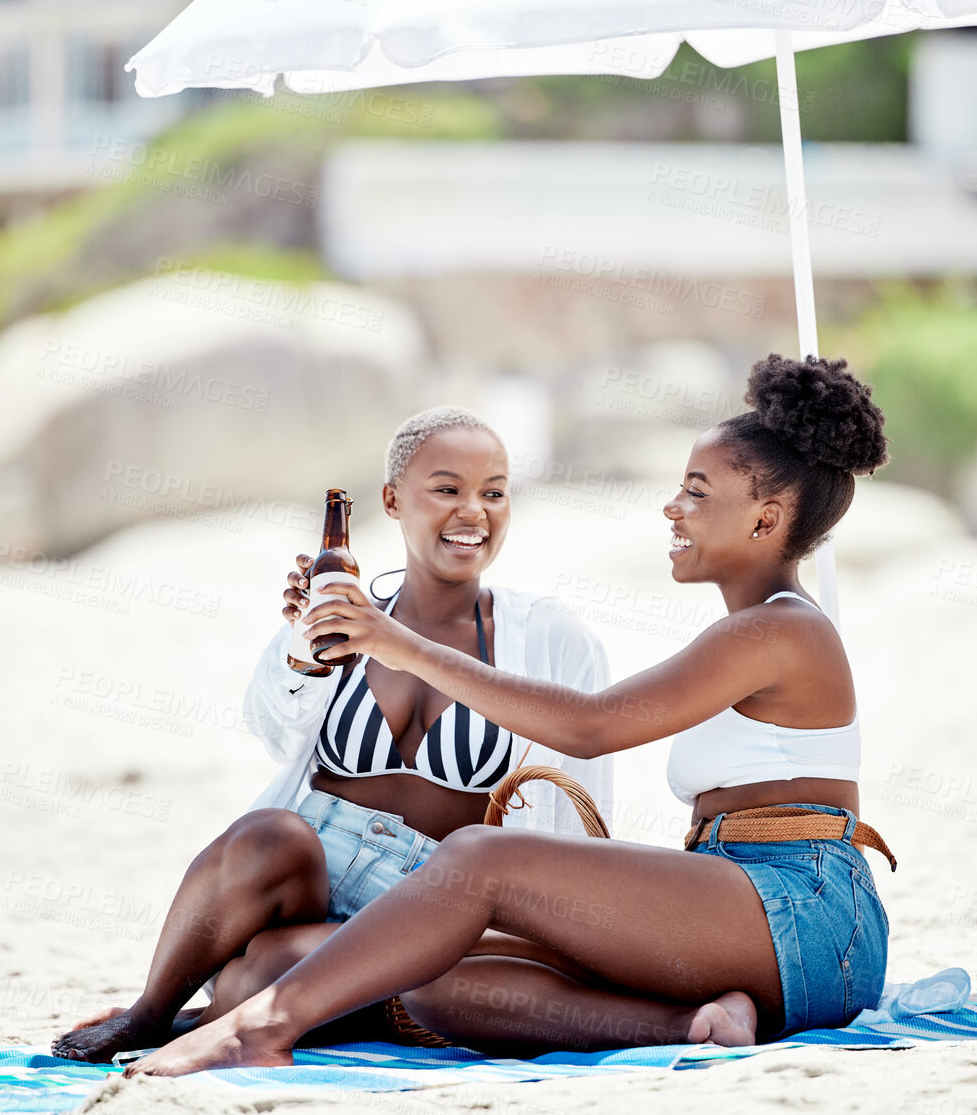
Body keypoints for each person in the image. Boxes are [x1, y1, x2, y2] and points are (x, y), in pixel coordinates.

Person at [124, 353, 896, 1076]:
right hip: (740, 897)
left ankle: (263, 1027)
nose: (672, 505)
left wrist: (399, 643)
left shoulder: (780, 627)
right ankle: (700, 1022)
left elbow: (590, 726)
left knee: (478, 857)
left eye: (695, 490)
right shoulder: (748, 628)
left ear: (764, 521)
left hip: (806, 908)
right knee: (432, 978)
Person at [52, 407, 613, 1062]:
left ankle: (240, 1011)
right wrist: (304, 657)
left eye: (493, 491)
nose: (474, 512)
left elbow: (580, 792)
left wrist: (563, 936)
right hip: (311, 866)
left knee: (258, 979)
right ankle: (150, 1013)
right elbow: (272, 726)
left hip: (437, 898)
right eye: (447, 489)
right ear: (391, 500)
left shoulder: (548, 635)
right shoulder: (342, 608)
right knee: (266, 832)